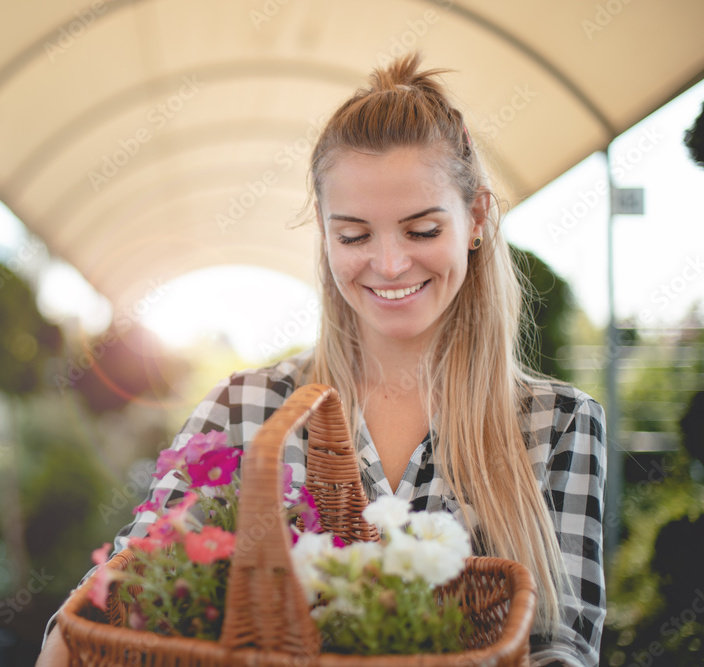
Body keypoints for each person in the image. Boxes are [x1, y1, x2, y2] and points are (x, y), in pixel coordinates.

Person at [37, 53, 606, 667]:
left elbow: (560, 646)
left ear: (475, 219)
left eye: (421, 230)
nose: (389, 264)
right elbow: (123, 591)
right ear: (325, 234)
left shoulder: (557, 424)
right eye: (354, 235)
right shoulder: (245, 409)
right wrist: (65, 639)